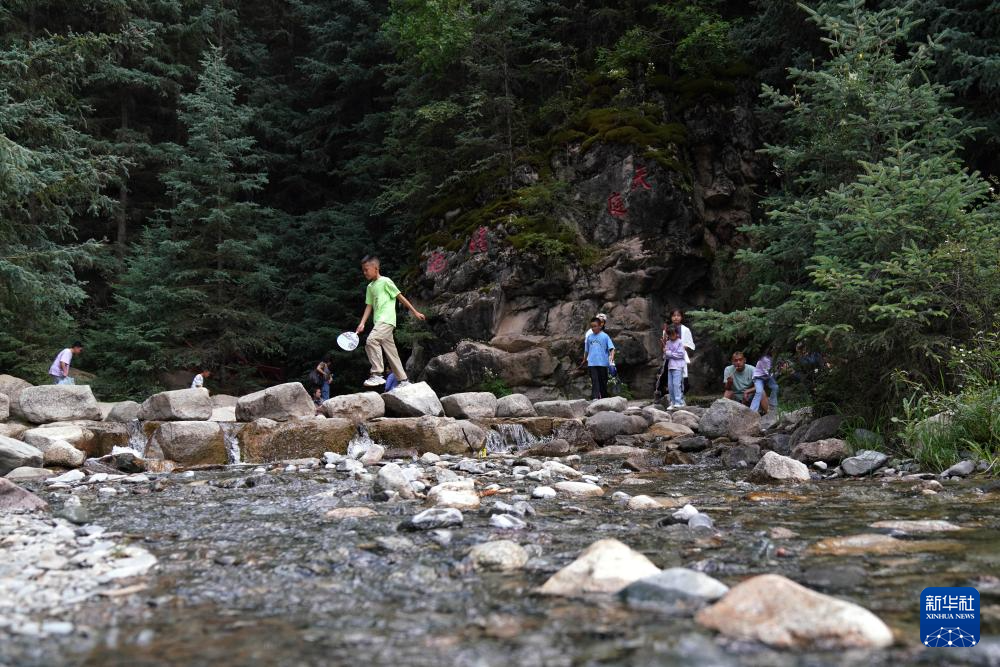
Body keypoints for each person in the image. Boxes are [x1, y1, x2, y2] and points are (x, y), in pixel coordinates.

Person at [355, 256, 426, 388]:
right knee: (391, 352)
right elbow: (369, 306)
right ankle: (403, 380)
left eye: (366, 270)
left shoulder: (386, 281)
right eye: (363, 270)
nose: (364, 272)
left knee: (371, 340)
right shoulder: (370, 287)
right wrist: (362, 323)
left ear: (376, 268)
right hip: (379, 322)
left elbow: (400, 297)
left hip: (386, 320)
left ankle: (377, 374)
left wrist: (415, 312)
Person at [655, 308, 695, 399]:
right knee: (666, 374)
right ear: (671, 317)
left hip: (680, 356)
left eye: (678, 316)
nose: (676, 318)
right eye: (674, 316)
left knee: (682, 375)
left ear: (681, 317)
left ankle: (681, 396)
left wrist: (677, 349)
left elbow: (689, 344)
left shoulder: (685, 330)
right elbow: (664, 344)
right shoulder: (666, 329)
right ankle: (663, 394)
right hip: (669, 357)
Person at [583, 317, 616, 399]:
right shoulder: (589, 337)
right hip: (592, 363)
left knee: (603, 382)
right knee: (595, 381)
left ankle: (604, 398)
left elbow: (612, 348)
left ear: (600, 326)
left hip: (603, 363)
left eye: (595, 326)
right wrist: (584, 359)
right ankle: (595, 398)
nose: (593, 328)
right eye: (592, 326)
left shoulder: (605, 336)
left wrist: (612, 357)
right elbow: (586, 350)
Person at [749, 346, 779, 414]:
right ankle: (752, 411)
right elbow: (769, 373)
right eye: (775, 351)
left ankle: (773, 405)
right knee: (759, 392)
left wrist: (780, 370)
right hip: (758, 377)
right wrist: (779, 371)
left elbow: (772, 373)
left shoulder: (774, 359)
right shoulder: (765, 359)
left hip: (766, 377)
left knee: (775, 387)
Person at [664, 325, 686, 407]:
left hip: (678, 366)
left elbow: (681, 354)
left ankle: (679, 402)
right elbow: (666, 356)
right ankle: (673, 402)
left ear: (677, 333)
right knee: (670, 386)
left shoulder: (680, 342)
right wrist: (665, 352)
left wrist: (669, 353)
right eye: (669, 335)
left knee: (677, 384)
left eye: (673, 334)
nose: (671, 336)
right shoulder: (668, 342)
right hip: (670, 366)